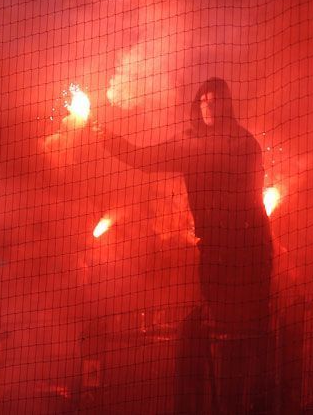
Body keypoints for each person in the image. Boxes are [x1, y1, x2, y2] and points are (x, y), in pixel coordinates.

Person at [92, 77, 272, 413]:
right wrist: (106, 138)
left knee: (246, 345)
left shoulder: (243, 144)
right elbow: (143, 157)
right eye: (205, 100)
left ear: (228, 104)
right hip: (215, 255)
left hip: (248, 252)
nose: (210, 106)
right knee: (216, 343)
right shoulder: (190, 144)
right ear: (198, 105)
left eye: (217, 100)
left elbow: (252, 196)